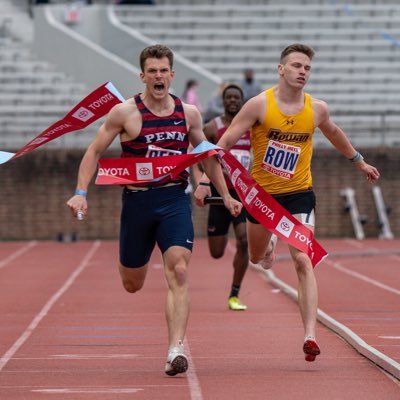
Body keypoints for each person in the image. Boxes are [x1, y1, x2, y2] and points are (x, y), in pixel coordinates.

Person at [194, 43, 380, 362]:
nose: (302, 72)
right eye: (296, 66)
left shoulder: (316, 109)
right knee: (254, 256)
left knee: (302, 261)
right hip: (263, 197)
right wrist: (203, 179)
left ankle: (309, 335)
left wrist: (359, 161)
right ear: (281, 69)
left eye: (307, 68)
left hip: (299, 194)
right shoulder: (258, 105)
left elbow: (334, 133)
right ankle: (267, 249)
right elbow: (222, 143)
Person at [66, 44, 242, 376]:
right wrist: (80, 192)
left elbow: (205, 155)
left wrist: (225, 193)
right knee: (132, 282)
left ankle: (175, 349)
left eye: (164, 71)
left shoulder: (188, 113)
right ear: (142, 75)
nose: (158, 76)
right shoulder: (123, 113)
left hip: (174, 199)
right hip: (137, 203)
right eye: (153, 71)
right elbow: (93, 152)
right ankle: (134, 268)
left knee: (179, 270)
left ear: (172, 75)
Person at [193, 84, 251, 311]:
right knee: (216, 253)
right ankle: (223, 231)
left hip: (242, 193)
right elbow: (198, 159)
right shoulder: (211, 128)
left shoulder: (252, 127)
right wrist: (203, 182)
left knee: (244, 241)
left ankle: (234, 294)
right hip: (219, 194)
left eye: (237, 97)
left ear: (242, 101)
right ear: (223, 101)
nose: (233, 101)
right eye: (229, 97)